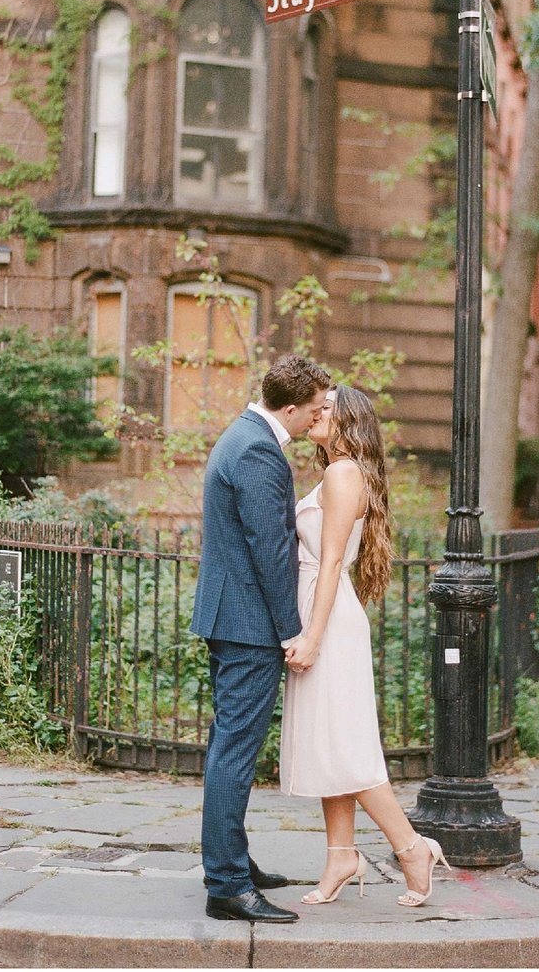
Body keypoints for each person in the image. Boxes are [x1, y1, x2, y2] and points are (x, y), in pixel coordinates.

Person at [280, 384, 451, 908]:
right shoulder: (340, 472)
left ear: (349, 420)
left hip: (327, 621)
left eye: (326, 408)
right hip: (323, 612)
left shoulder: (343, 472)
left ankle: (411, 846)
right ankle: (341, 855)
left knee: (346, 748)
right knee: (331, 744)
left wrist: (312, 634)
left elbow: (331, 560)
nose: (314, 413)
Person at [192, 353, 331, 924]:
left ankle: (235, 863)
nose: (319, 417)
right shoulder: (257, 449)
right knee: (235, 753)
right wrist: (294, 631)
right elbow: (271, 551)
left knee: (230, 748)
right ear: (291, 407)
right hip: (248, 627)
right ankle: (227, 885)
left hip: (234, 619)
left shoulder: (242, 434)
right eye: (317, 409)